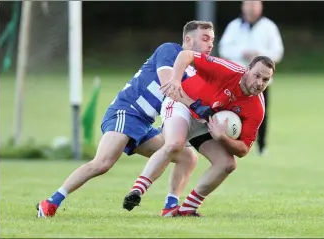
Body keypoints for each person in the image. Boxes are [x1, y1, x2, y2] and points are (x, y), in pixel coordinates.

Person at [36, 20, 215, 218]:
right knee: (102, 163)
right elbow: (168, 86)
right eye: (205, 38)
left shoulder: (196, 70)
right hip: (126, 111)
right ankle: (50, 203)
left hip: (144, 124)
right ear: (188, 40)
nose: (210, 44)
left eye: (212, 40)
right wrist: (198, 106)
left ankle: (170, 207)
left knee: (187, 157)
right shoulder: (170, 50)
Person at [123, 50, 275, 217]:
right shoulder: (227, 70)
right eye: (257, 76)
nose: (260, 83)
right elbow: (186, 55)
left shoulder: (257, 108)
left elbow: (244, 149)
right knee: (175, 144)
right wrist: (175, 80)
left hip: (205, 122)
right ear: (247, 70)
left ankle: (187, 208)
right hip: (183, 104)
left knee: (227, 164)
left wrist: (222, 138)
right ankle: (137, 190)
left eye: (266, 79)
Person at [218, 0, 284, 155]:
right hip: (237, 81)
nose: (252, 8)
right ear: (243, 6)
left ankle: (261, 147)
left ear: (261, 6)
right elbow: (224, 48)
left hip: (260, 82)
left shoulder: (269, 27)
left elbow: (278, 51)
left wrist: (259, 55)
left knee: (261, 113)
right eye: (249, 4)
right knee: (230, 111)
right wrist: (242, 52)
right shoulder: (234, 26)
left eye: (255, 4)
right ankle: (229, 143)